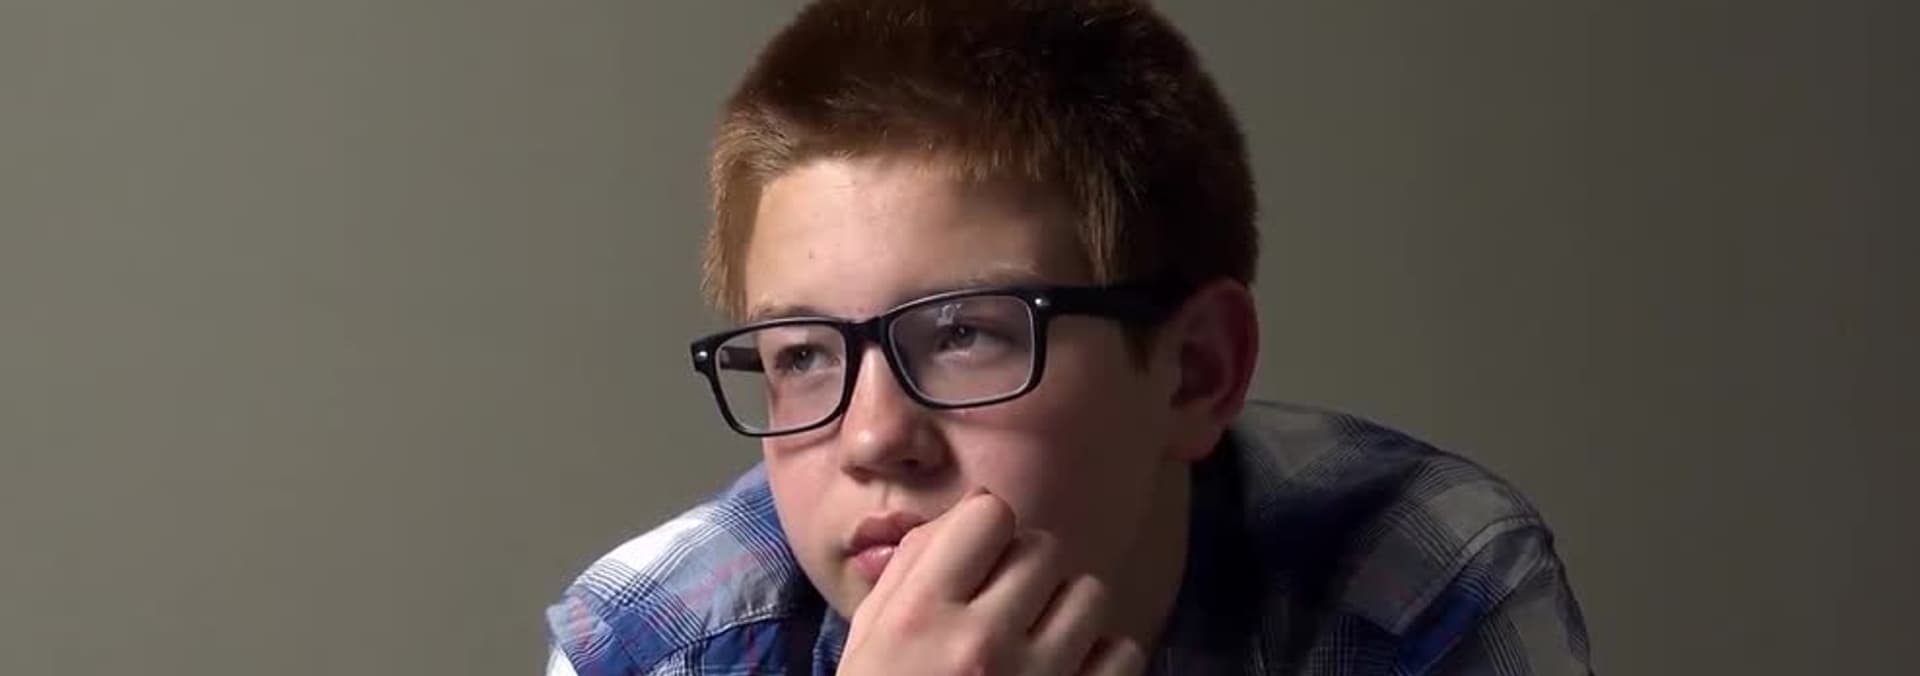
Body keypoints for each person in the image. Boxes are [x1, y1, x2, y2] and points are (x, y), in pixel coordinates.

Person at [545, 1, 1592, 673]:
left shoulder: (1418, 581)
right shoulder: (654, 646)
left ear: (1196, 370)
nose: (871, 437)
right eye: (805, 354)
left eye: (963, 333)